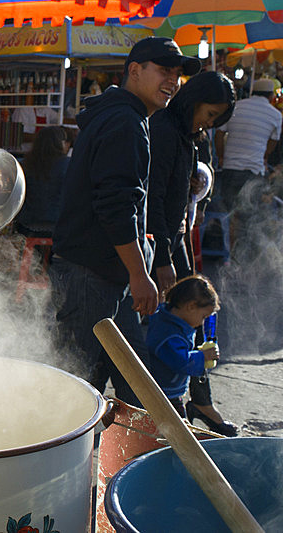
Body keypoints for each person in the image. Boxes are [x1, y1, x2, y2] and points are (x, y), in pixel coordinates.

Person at [49, 37, 201, 403]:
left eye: (178, 74)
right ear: (135, 70)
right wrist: (139, 274)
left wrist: (146, 264)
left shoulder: (129, 116)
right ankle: (56, 456)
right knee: (73, 385)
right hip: (93, 275)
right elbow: (116, 207)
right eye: (164, 70)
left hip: (107, 276)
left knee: (136, 385)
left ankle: (134, 457)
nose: (173, 81)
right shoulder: (124, 121)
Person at [146, 71, 237, 436]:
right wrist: (163, 256)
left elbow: (194, 177)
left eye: (215, 119)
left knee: (198, 318)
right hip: (164, 239)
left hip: (179, 235)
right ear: (194, 99)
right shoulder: (166, 127)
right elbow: (154, 196)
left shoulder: (191, 135)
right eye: (209, 114)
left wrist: (198, 180)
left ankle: (199, 399)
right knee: (175, 320)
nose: (209, 122)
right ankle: (167, 399)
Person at [214, 77, 283, 250]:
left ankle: (229, 252)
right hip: (253, 171)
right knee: (249, 215)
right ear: (270, 96)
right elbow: (272, 144)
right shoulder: (275, 115)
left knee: (229, 212)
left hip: (230, 167)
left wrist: (222, 156)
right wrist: (264, 156)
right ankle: (243, 251)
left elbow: (219, 134)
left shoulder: (236, 106)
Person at [145, 275, 221, 419]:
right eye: (204, 317)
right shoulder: (168, 334)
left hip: (170, 392)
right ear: (191, 306)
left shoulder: (173, 321)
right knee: (176, 431)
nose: (202, 323)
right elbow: (180, 361)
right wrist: (203, 356)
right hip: (163, 395)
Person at [15, 126, 71, 237]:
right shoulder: (68, 164)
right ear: (60, 143)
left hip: (27, 225)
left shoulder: (25, 165)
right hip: (60, 225)